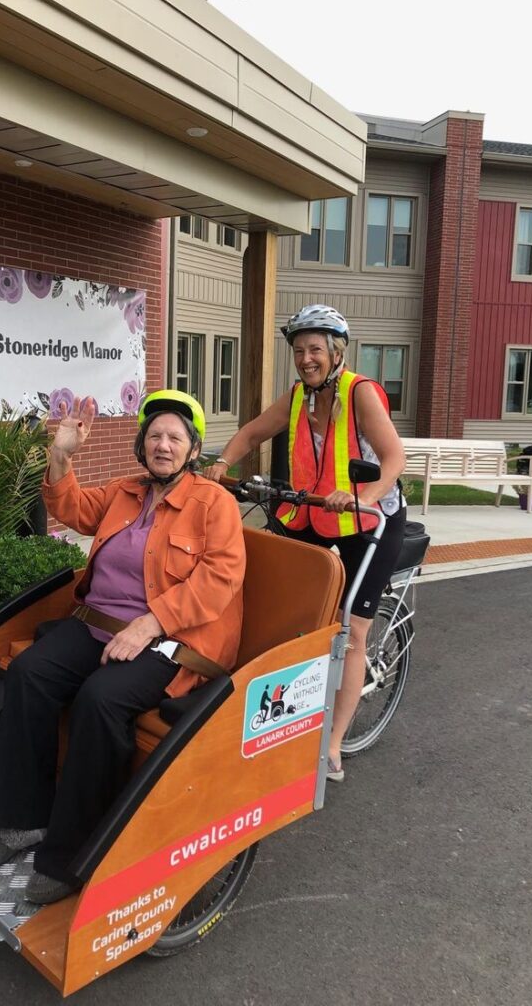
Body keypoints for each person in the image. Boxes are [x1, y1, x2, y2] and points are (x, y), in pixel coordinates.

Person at [0, 389, 246, 904]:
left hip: (169, 643)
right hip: (95, 625)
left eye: (175, 438)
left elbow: (220, 578)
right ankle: (19, 824)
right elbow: (72, 506)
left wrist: (149, 624)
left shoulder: (214, 503)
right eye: (155, 435)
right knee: (29, 672)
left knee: (100, 700)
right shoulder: (126, 491)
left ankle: (75, 854)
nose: (163, 445)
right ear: (142, 445)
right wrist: (61, 455)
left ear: (192, 449)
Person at [204, 305, 405, 783]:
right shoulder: (298, 396)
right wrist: (219, 466)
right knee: (278, 599)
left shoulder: (360, 394)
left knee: (352, 632)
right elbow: (254, 431)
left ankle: (332, 746)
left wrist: (365, 496)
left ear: (336, 352)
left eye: (315, 349)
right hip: (311, 511)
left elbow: (395, 458)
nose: (306, 358)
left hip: (369, 521)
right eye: (299, 350)